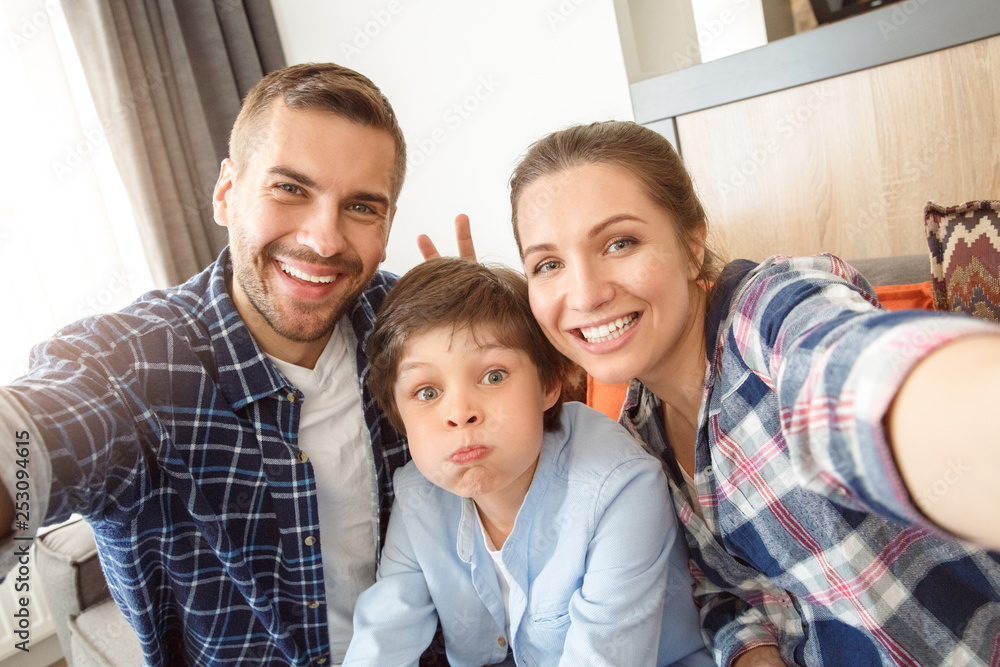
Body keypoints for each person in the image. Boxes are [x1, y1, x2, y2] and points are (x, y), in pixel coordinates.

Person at [423, 120, 1000, 666]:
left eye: (619, 243)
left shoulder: (765, 316)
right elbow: (733, 597)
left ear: (692, 243)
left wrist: (955, 419)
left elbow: (860, 370)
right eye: (548, 264)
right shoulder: (635, 441)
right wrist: (489, 351)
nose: (587, 292)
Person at [0, 63, 442, 666]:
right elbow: (39, 430)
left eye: (361, 206)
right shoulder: (134, 364)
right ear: (226, 193)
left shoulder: (410, 326)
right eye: (290, 189)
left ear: (387, 223)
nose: (324, 240)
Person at [343, 257, 713, 666]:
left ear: (549, 382)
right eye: (427, 392)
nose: (460, 413)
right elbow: (382, 639)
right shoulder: (419, 496)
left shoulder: (621, 486)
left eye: (494, 376)